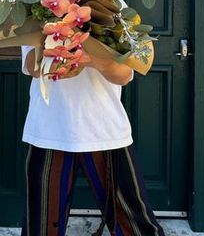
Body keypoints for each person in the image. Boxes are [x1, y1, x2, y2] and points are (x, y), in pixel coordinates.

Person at [20, 45, 166, 236]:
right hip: (49, 129)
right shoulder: (38, 16)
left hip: (104, 130)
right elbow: (33, 67)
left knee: (135, 225)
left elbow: (123, 75)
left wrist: (90, 57)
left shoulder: (117, 17)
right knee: (40, 228)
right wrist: (58, 39)